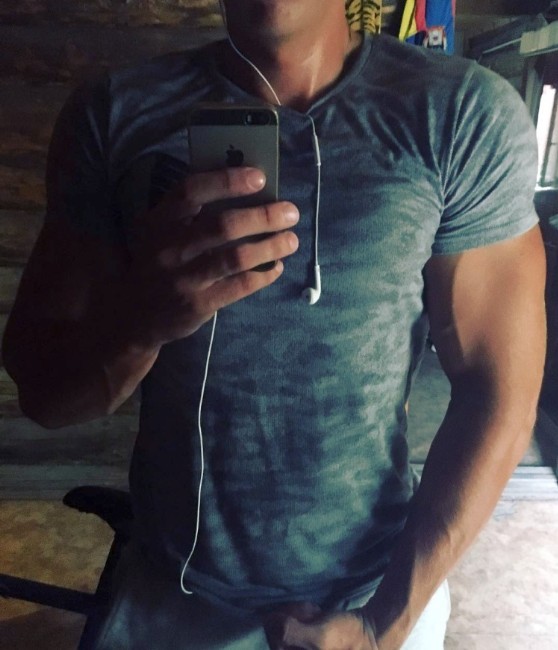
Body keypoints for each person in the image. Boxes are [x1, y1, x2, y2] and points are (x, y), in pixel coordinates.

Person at [2, 1, 546, 648]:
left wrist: (385, 624)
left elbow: (499, 390)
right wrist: (138, 321)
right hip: (172, 594)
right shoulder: (115, 115)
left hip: (377, 593)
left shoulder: (459, 115)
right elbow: (45, 395)